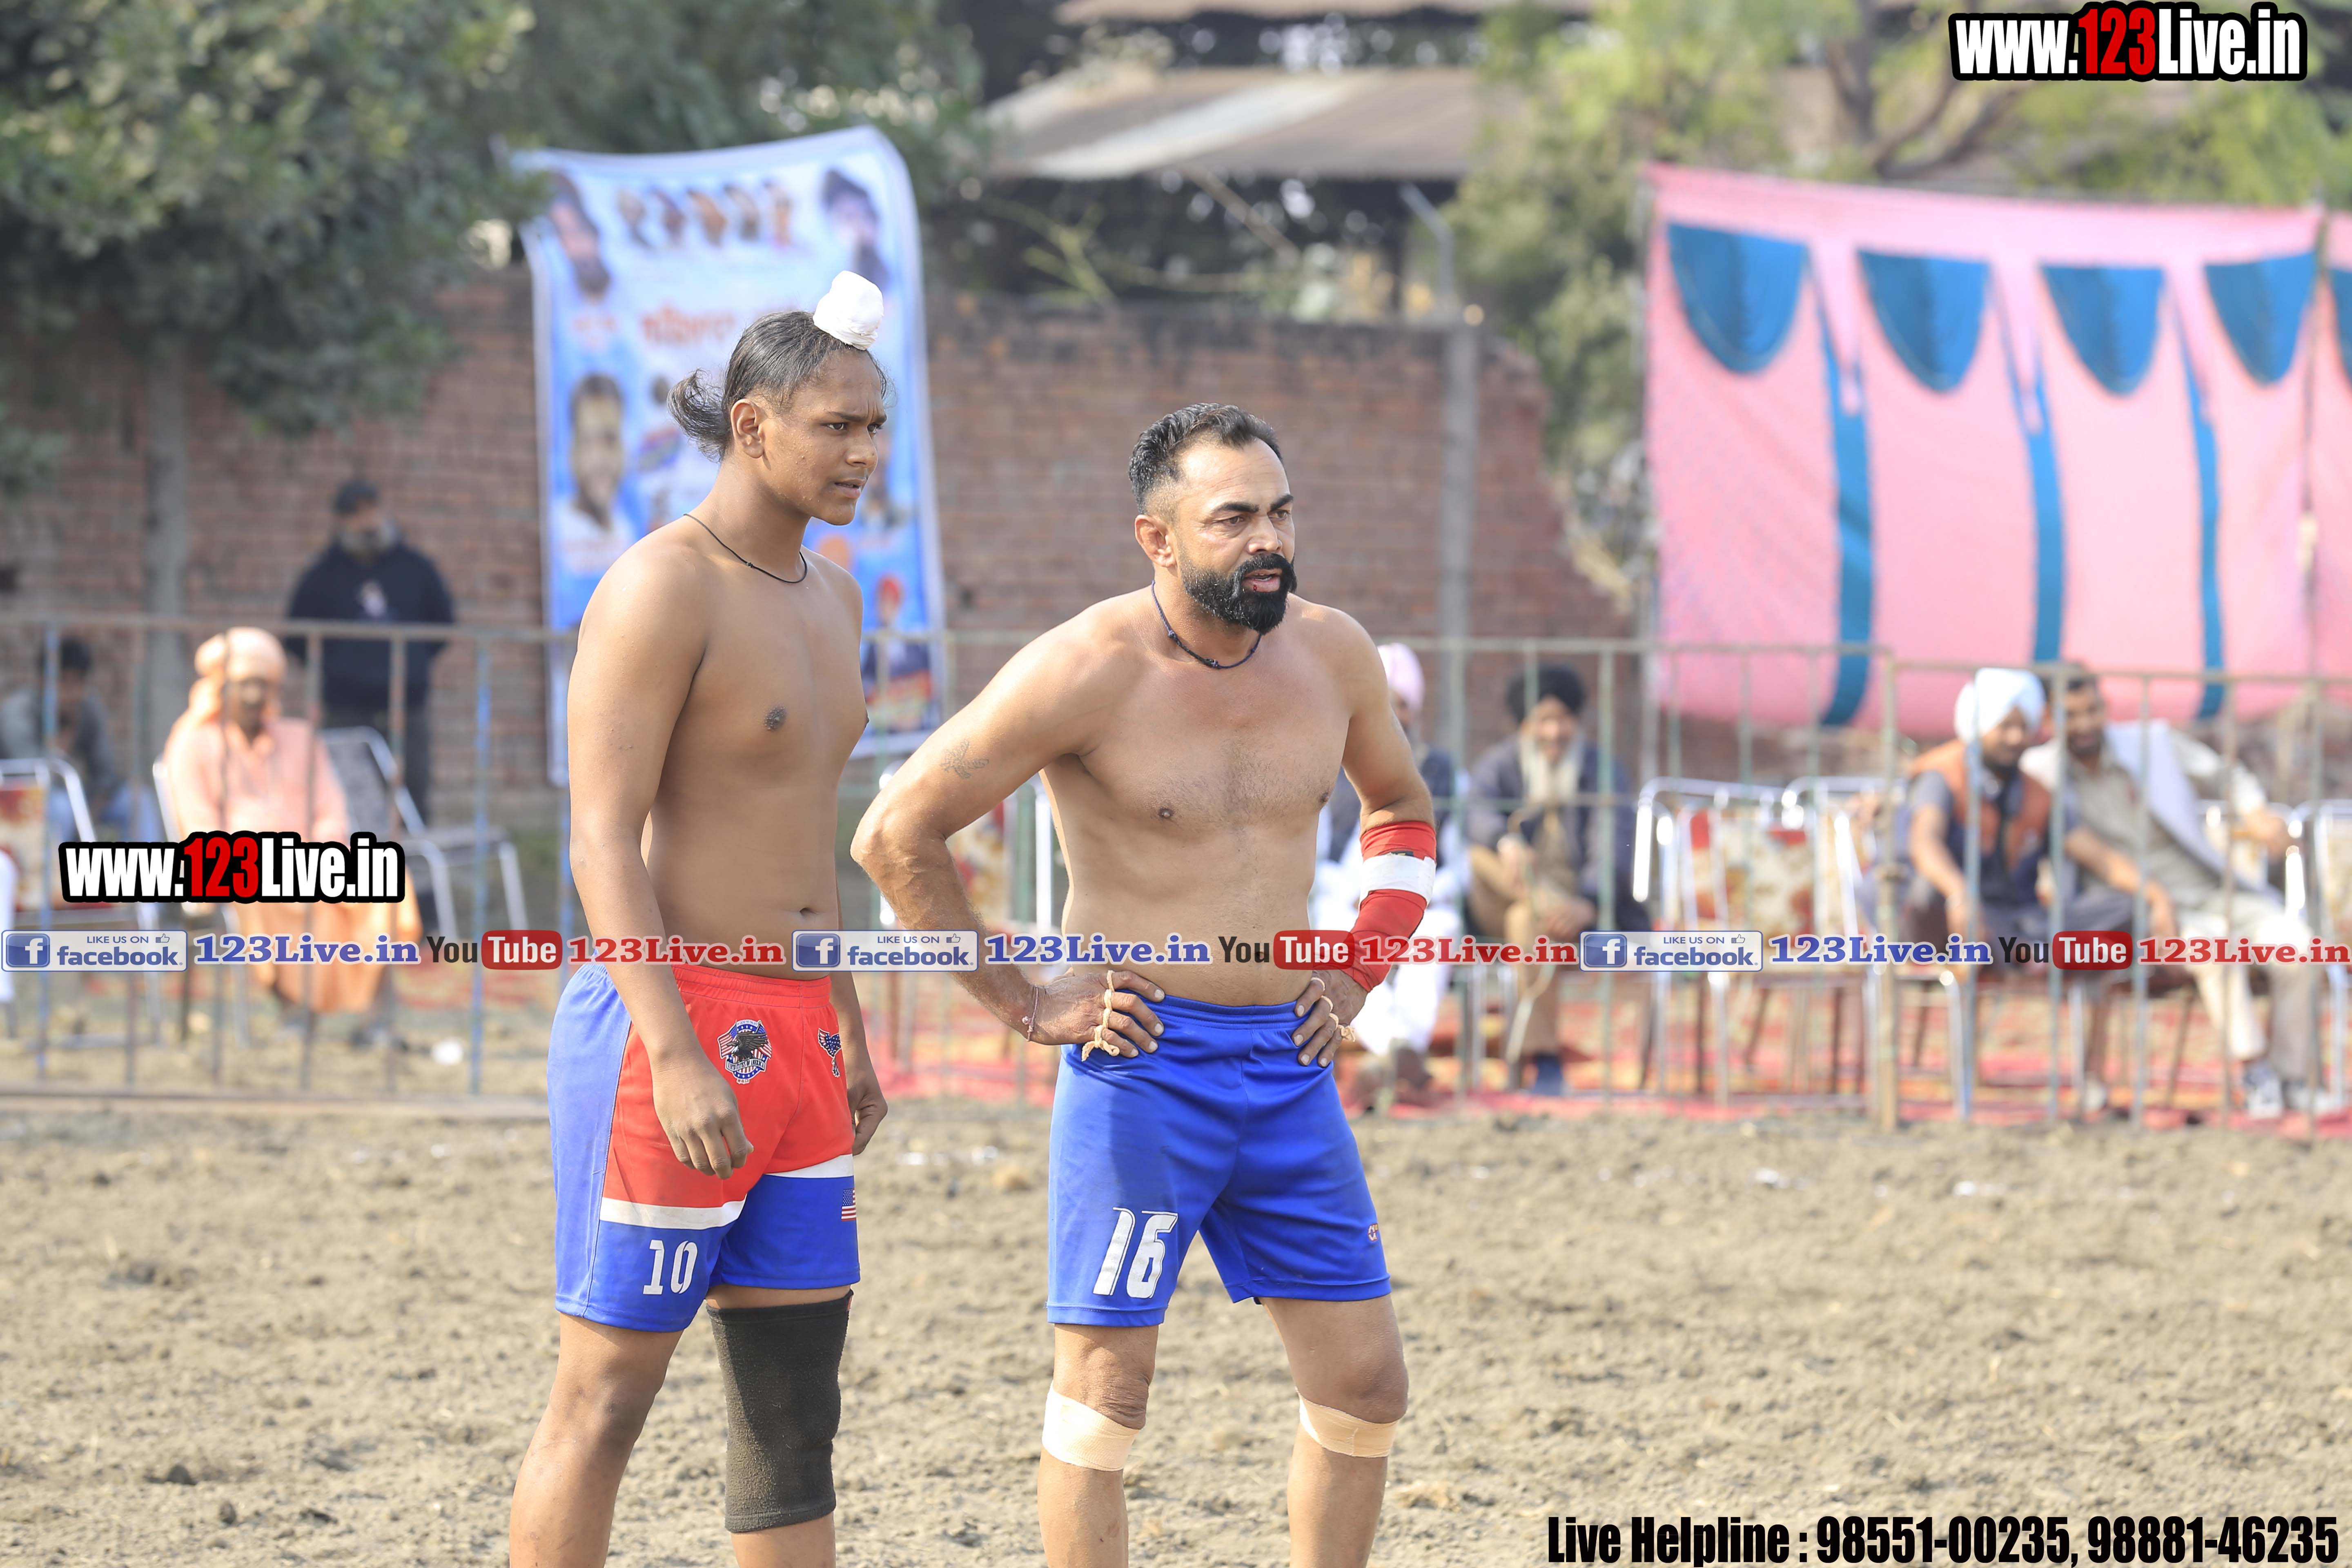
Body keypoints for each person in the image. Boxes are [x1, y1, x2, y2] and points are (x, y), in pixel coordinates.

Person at [854, 403, 1429, 1568]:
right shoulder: (1086, 666)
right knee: (1104, 1399)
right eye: (1233, 518)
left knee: (1367, 1386)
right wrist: (1023, 1002)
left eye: (1281, 512)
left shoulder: (1334, 652)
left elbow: (1401, 810)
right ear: (1156, 539)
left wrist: (1363, 962)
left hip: (1290, 1066)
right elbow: (894, 833)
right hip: (1141, 1069)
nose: (1268, 539)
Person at [508, 275, 893, 1568]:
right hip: (667, 1021)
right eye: (837, 425)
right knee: (606, 1397)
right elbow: (599, 840)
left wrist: (847, 1027)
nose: (863, 451)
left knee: (794, 1412)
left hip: (799, 1030)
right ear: (752, 425)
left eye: (875, 425)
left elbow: (807, 830)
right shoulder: (660, 585)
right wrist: (673, 1051)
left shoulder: (837, 598)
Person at [2024, 668, 2324, 1117]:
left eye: (2092, 711)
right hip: (2133, 911)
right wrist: (2153, 899)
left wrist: (2256, 813)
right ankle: (2255, 1071)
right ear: (2049, 719)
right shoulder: (2040, 775)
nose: (2085, 724)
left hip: (2212, 890)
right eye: (2072, 715)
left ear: (2106, 708)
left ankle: (2292, 1078)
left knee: (2301, 949)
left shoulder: (2153, 743)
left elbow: (2227, 776)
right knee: (2216, 950)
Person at [159, 628, 421, 1017]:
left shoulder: (300, 738)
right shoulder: (192, 744)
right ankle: (294, 1008)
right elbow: (199, 828)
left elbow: (331, 810)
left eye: (263, 685)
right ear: (221, 688)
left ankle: (377, 1017)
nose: (254, 696)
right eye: (244, 684)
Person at [1465, 665, 1644, 1094]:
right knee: (1480, 856)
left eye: (1562, 719)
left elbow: (1612, 846)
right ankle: (1542, 902)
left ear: (1577, 722)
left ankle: (1543, 1060)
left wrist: (1588, 901)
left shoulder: (1601, 769)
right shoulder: (1501, 765)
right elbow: (1475, 813)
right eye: (1542, 720)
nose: (1553, 731)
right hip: (1508, 896)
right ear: (1524, 725)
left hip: (1580, 914)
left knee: (1527, 922)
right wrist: (1506, 842)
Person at [1312, 642, 1464, 1110]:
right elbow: (1315, 859)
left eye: (1400, 704)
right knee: (1342, 938)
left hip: (1423, 903)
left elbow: (1458, 865)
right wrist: (1356, 895)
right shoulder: (1327, 763)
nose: (1392, 715)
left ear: (1414, 710)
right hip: (1346, 900)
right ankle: (1400, 1050)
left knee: (1436, 935)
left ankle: (1391, 1055)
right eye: (1382, 703)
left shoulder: (1442, 772)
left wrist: (1417, 896)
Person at [1900, 668, 2132, 967]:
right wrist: (1959, 895)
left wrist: (2155, 896)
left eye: (2024, 727)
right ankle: (2018, 957)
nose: (2016, 737)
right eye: (2005, 726)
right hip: (1957, 912)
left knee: (2125, 906)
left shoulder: (2035, 792)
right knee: (1929, 892)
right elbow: (1925, 841)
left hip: (2016, 919)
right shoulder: (1942, 774)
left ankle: (2022, 956)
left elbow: (2101, 858)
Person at [284, 480, 455, 823]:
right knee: (347, 796)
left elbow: (442, 625)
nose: (365, 521)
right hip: (346, 706)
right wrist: (339, 669)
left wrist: (411, 666)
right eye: (354, 514)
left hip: (406, 704)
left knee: (411, 795)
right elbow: (297, 636)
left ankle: (413, 858)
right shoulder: (323, 575)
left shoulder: (415, 568)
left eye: (370, 510)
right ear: (341, 521)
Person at [0, 637, 129, 832]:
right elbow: (33, 778)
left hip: (76, 799)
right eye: (64, 682)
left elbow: (106, 774)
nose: (73, 692)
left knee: (134, 801)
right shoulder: (18, 712)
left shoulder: (88, 709)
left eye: (79, 682)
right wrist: (62, 743)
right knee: (61, 807)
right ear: (43, 681)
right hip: (21, 801)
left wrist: (91, 811)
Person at [551, 375, 638, 580]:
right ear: (572, 450)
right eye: (587, 441)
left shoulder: (628, 531)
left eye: (610, 440)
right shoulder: (556, 528)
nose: (599, 459)